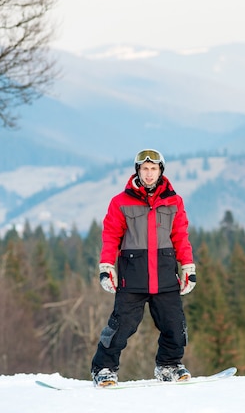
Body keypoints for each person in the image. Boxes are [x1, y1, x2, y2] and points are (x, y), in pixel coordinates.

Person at [90, 148, 197, 387]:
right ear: (138, 171)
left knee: (175, 326)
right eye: (145, 169)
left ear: (161, 171)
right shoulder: (120, 202)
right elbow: (111, 236)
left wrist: (187, 266)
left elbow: (180, 235)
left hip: (166, 275)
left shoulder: (174, 201)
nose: (149, 174)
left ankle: (169, 365)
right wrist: (107, 266)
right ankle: (104, 369)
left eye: (153, 169)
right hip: (133, 276)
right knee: (120, 327)